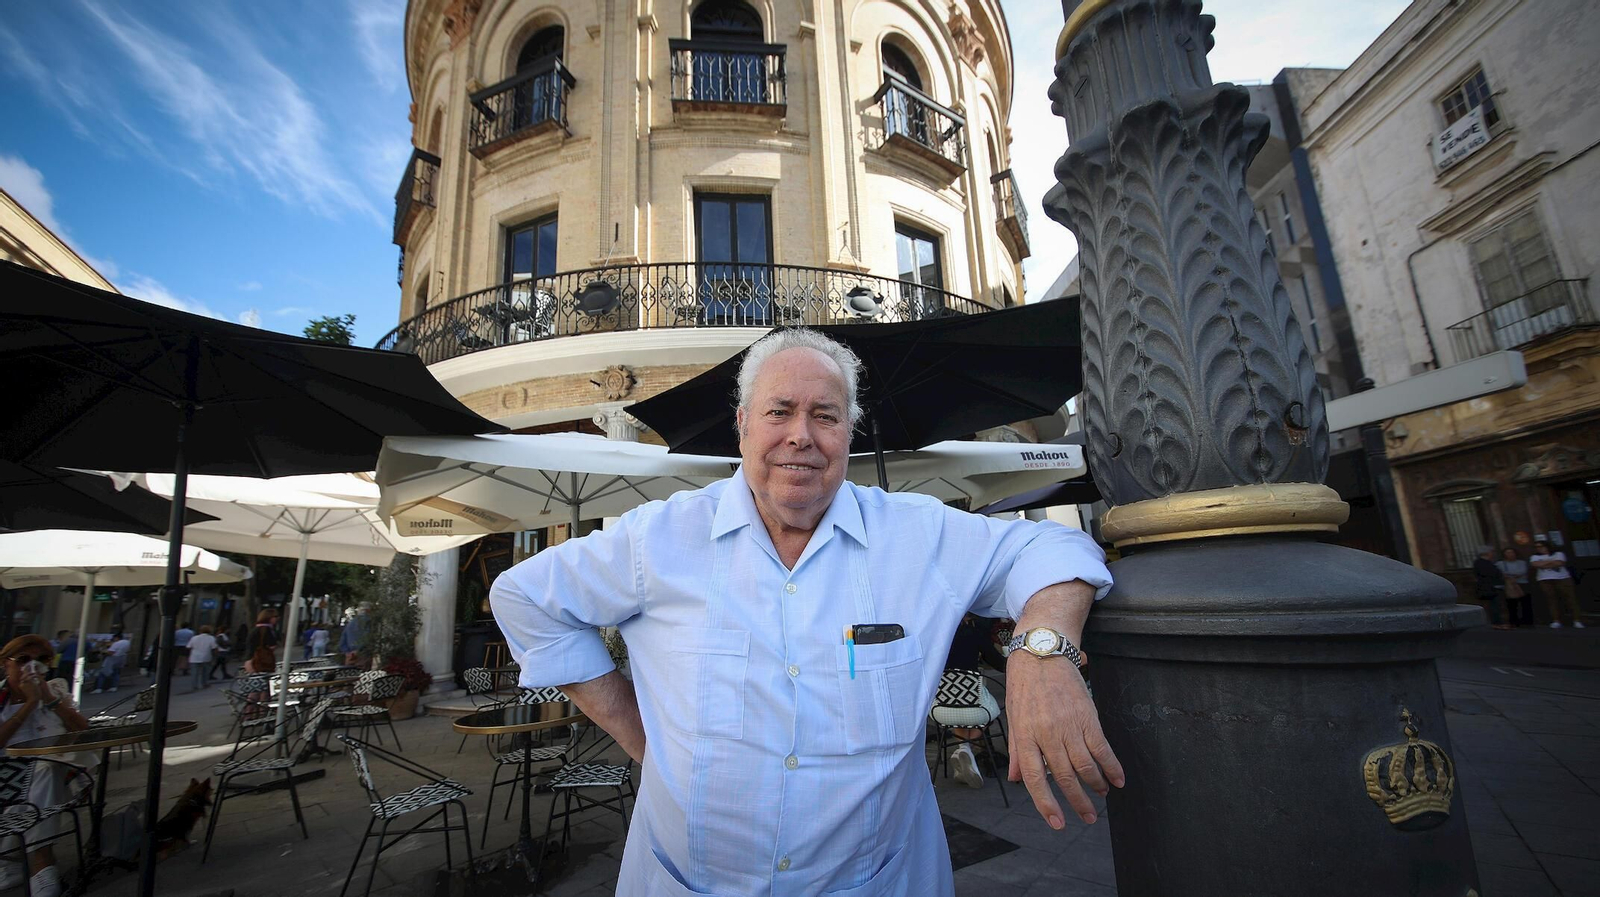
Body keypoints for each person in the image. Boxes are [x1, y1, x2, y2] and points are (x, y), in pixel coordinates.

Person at [490, 329, 1120, 896]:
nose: (801, 434)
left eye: (825, 415)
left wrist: (1042, 651)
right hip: (688, 881)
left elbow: (1055, 546)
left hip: (879, 880)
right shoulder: (657, 538)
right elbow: (523, 597)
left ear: (848, 432)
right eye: (780, 411)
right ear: (743, 424)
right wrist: (640, 736)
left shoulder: (917, 535)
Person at [0, 634, 94, 897]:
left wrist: (50, 700)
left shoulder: (55, 692)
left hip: (54, 773)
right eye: (23, 659)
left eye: (42, 659)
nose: (33, 666)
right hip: (6, 775)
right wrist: (30, 704)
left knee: (46, 769)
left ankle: (31, 860)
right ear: (6, 663)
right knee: (39, 777)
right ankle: (33, 862)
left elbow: (84, 732)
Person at [936, 613, 1010, 788]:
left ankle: (963, 750)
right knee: (987, 712)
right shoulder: (972, 633)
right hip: (972, 702)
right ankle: (965, 749)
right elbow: (999, 664)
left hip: (940, 709)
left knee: (959, 707)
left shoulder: (935, 635)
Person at [1531, 539, 1584, 628]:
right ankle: (1556, 620)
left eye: (1541, 546)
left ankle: (1577, 620)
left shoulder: (1558, 554)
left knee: (1570, 598)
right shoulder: (1535, 556)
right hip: (1545, 579)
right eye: (1536, 547)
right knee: (1551, 600)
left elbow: (1559, 563)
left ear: (1547, 546)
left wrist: (1544, 563)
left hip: (1562, 578)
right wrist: (1551, 561)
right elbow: (1536, 564)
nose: (1539, 548)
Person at [1472, 546, 1508, 630]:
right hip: (1490, 587)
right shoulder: (1481, 563)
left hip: (1492, 587)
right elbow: (1489, 574)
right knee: (1494, 605)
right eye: (1492, 552)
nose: (1493, 554)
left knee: (1495, 605)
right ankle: (1497, 622)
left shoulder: (1487, 562)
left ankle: (1497, 622)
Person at [1497, 548, 1533, 627]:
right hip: (1509, 585)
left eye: (1512, 552)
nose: (1510, 554)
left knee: (1525, 603)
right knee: (1512, 604)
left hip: (1522, 583)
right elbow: (1500, 573)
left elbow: (1522, 571)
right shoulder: (1500, 564)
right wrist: (1510, 575)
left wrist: (1510, 574)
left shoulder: (1522, 562)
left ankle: (1527, 621)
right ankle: (1514, 621)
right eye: (1508, 553)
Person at [185, 626, 218, 691]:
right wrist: (215, 656)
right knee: (205, 672)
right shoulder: (211, 638)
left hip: (194, 657)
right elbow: (214, 648)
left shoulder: (194, 638)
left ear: (200, 631)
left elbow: (188, 647)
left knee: (194, 672)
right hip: (206, 657)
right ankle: (204, 683)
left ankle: (194, 685)